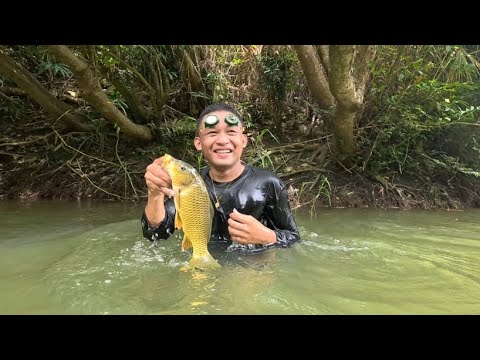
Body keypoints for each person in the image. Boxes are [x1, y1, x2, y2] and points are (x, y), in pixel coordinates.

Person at [141, 103, 300, 252]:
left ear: (243, 140)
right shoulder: (190, 183)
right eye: (212, 133)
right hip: (201, 269)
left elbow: (294, 237)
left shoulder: (269, 183)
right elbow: (156, 233)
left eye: (231, 132)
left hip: (253, 272)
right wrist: (155, 193)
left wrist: (268, 237)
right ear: (198, 143)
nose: (223, 141)